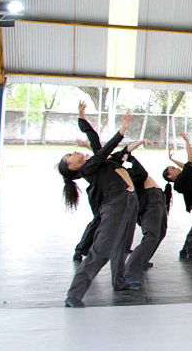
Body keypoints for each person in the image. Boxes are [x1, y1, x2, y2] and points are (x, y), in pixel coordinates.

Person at [59, 109, 138, 308]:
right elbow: (104, 150)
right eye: (70, 155)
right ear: (71, 167)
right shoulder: (87, 168)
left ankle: (119, 281)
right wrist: (122, 130)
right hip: (115, 204)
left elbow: (94, 138)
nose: (74, 152)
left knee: (123, 245)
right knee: (102, 250)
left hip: (128, 200)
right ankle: (74, 295)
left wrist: (82, 118)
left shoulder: (95, 161)